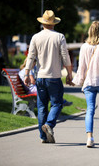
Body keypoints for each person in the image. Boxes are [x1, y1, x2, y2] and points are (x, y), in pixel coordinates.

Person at [24, 10, 73, 144]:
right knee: (57, 103)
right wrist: (69, 73)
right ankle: (49, 125)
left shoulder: (35, 37)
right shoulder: (59, 37)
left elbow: (31, 57)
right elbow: (65, 56)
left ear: (43, 22)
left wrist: (27, 73)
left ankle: (43, 136)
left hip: (40, 77)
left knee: (41, 107)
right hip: (54, 77)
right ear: (54, 23)